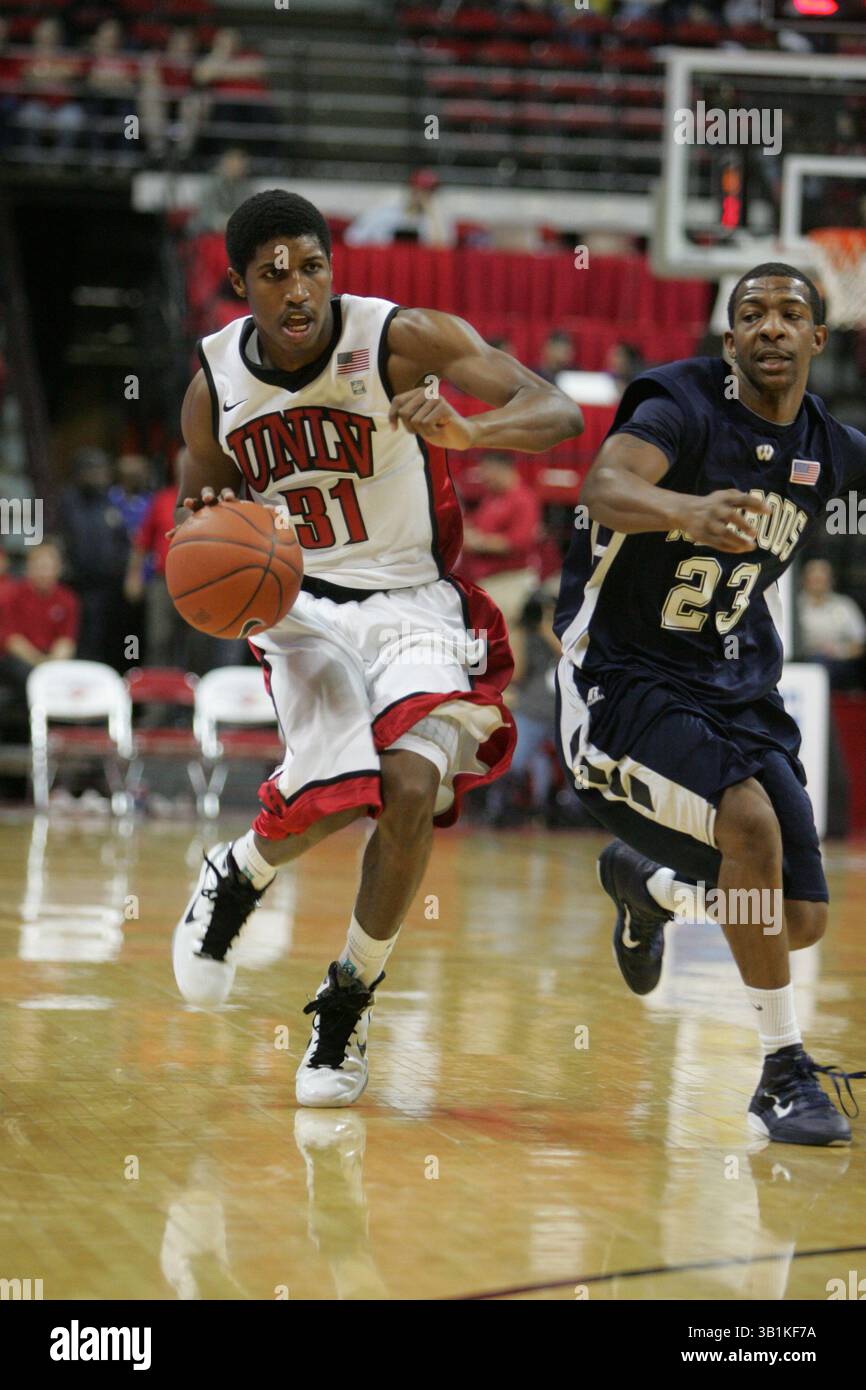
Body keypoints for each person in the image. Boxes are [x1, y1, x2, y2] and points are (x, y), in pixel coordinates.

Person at [171, 188, 582, 1107]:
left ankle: (348, 998)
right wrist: (203, 531)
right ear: (239, 284)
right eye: (273, 273)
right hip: (301, 604)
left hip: (410, 601)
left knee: (407, 788)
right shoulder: (213, 389)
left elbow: (556, 412)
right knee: (331, 798)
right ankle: (238, 873)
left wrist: (471, 430)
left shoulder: (400, 337)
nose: (298, 288)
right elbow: (196, 512)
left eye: (312, 265)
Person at [554, 263, 866, 1147]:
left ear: (817, 339)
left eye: (791, 313)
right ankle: (780, 1074)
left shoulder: (827, 446)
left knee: (795, 919)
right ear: (728, 343)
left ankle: (649, 888)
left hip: (736, 684)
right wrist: (685, 512)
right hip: (624, 675)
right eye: (752, 315)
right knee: (750, 826)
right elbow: (604, 488)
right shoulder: (678, 404)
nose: (772, 327)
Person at [458, 452, 541, 629]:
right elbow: (477, 527)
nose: (482, 477)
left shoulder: (523, 498)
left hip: (510, 580)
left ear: (500, 469)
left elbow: (520, 542)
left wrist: (480, 542)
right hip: (485, 580)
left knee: (501, 634)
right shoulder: (491, 497)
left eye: (486, 471)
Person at [0, 539, 79, 699]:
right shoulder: (11, 595)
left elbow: (66, 640)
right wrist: (39, 663)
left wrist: (53, 662)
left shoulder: (67, 599)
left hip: (51, 658)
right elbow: (11, 640)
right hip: (19, 658)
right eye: (39, 567)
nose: (44, 573)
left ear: (58, 569)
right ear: (28, 569)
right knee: (29, 675)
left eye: (48, 567)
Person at [797, 557, 866, 690]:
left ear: (831, 581)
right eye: (814, 579)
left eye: (822, 579)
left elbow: (860, 645)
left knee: (823, 664)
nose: (818, 583)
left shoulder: (845, 605)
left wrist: (838, 651)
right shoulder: (794, 606)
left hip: (839, 664)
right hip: (802, 662)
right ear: (804, 581)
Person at [344, 169, 450, 248]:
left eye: (429, 192)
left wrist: (431, 212)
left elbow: (443, 247)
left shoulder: (437, 214)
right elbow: (353, 238)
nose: (423, 195)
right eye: (419, 190)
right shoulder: (385, 207)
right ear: (411, 189)